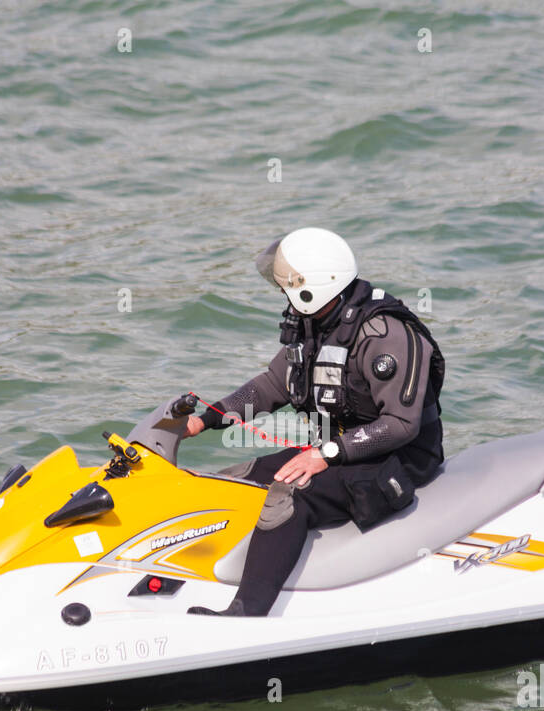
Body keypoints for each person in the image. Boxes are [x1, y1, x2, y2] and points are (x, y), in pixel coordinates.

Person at [182, 227, 446, 617]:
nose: (283, 295)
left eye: (288, 286)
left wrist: (326, 454)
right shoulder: (317, 323)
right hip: (339, 448)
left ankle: (248, 611)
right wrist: (209, 418)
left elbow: (401, 425)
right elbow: (274, 385)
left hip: (398, 457)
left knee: (289, 490)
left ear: (313, 290)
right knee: (233, 478)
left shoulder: (386, 335)